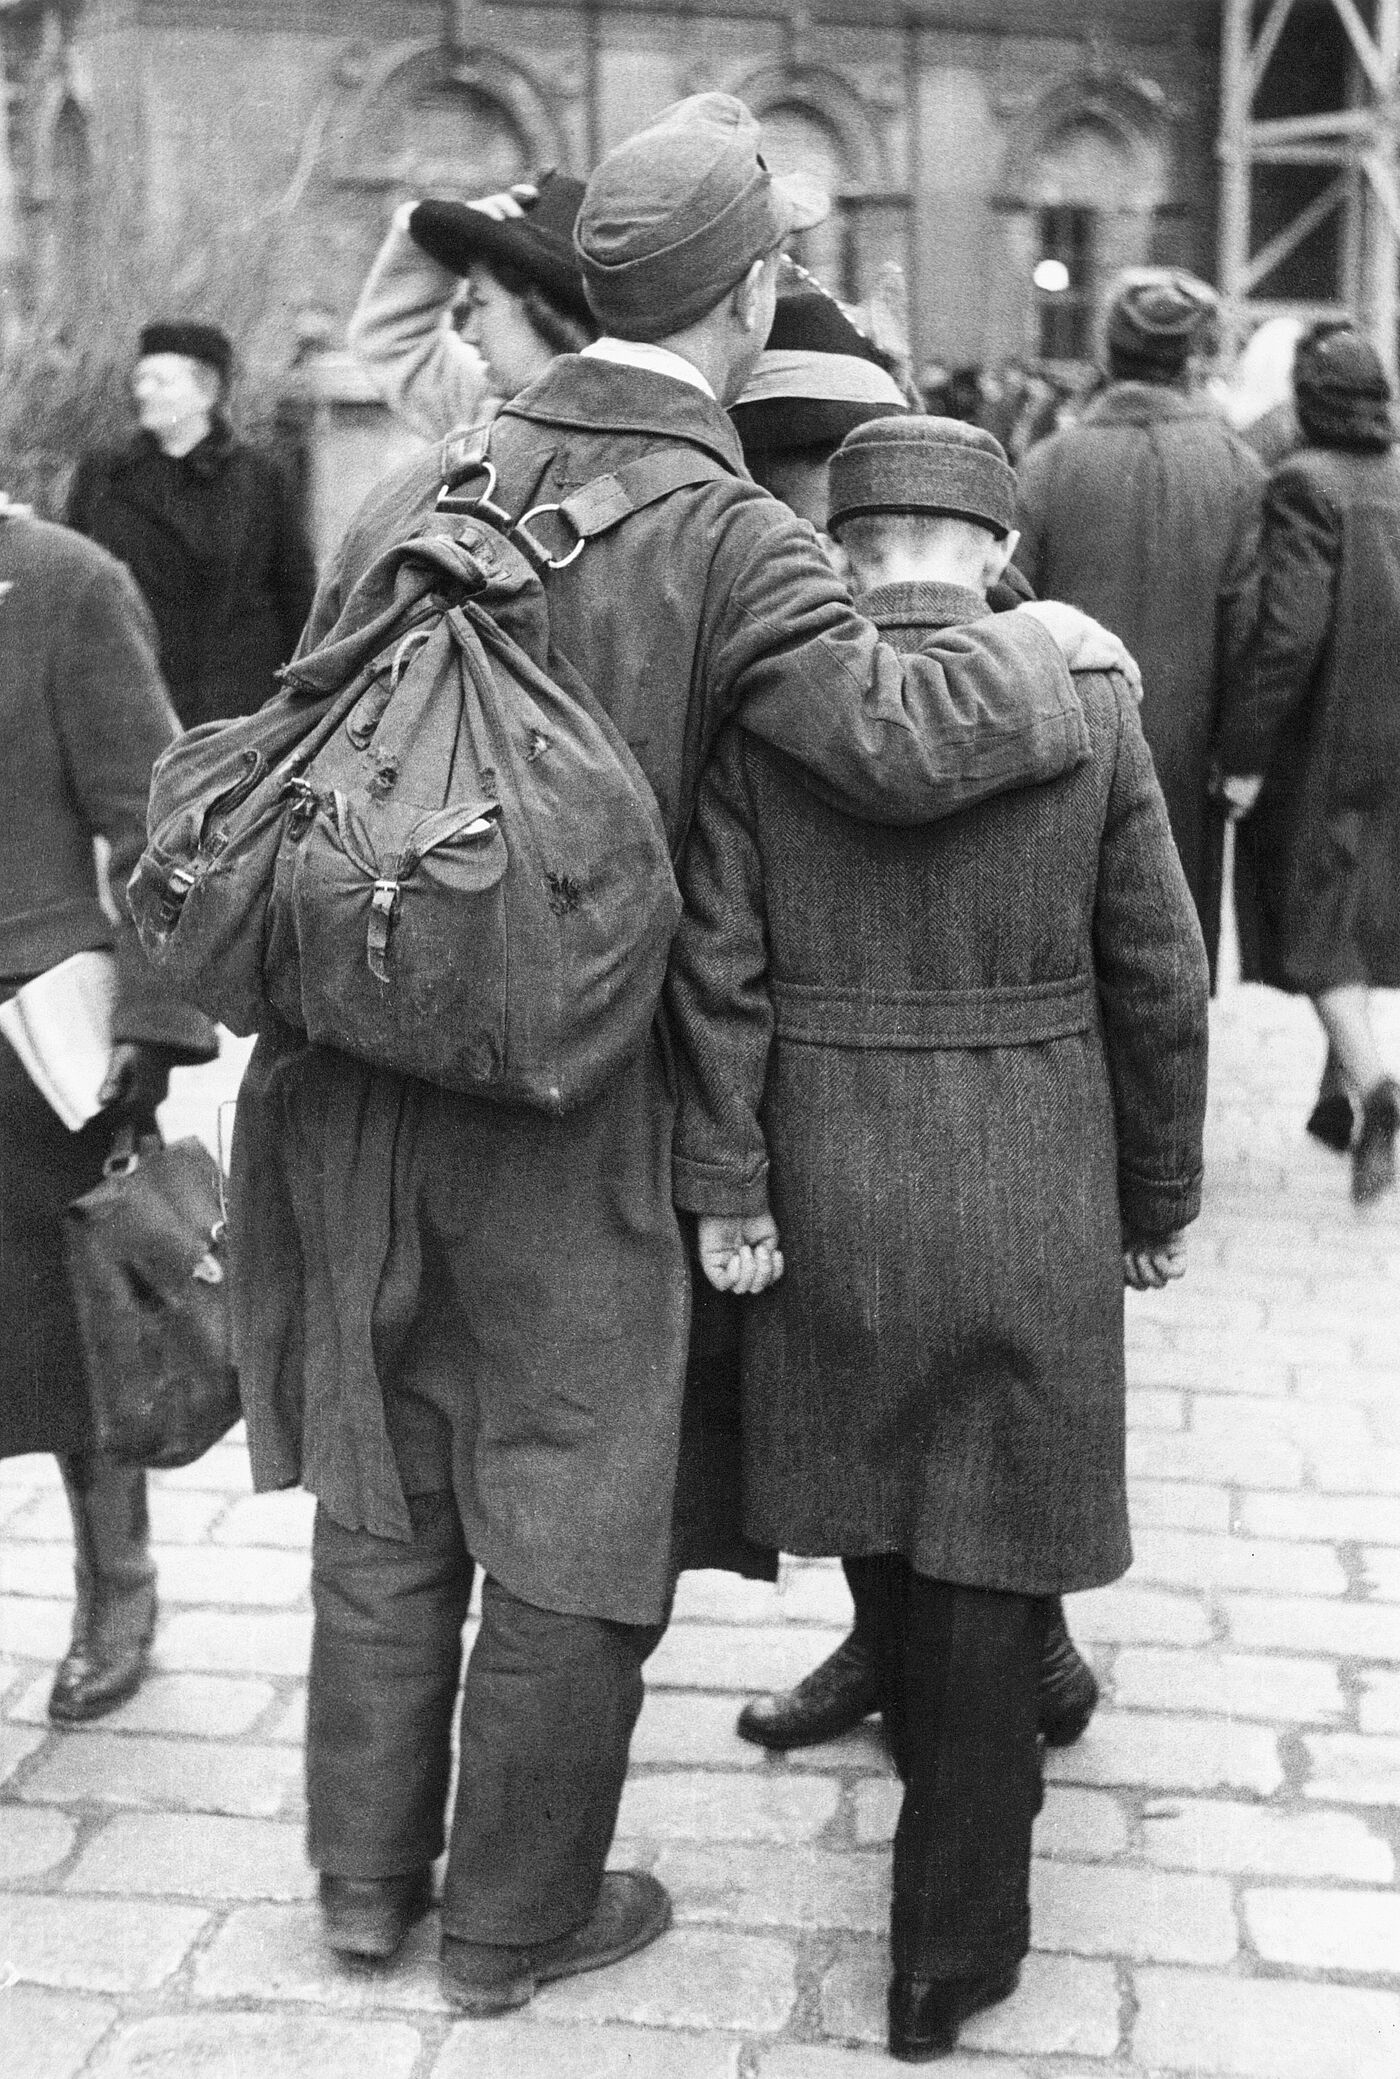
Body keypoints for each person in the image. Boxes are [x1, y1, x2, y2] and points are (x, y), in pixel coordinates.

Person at [229, 90, 1135, 2018]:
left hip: (359, 1063)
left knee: (391, 1480)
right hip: (575, 1091)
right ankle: (512, 1916)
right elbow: (898, 740)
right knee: (569, 1490)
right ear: (751, 292)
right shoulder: (729, 536)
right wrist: (1056, 652)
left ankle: (367, 1880)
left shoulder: (432, 479)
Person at [668, 415, 1210, 2062]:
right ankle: (947, 1955)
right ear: (995, 549)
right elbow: (1158, 974)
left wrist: (732, 1180)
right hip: (1034, 1165)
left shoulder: (766, 709)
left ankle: (966, 1733)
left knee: (882, 1481)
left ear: (846, 551)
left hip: (834, 1166)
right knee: (990, 1519)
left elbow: (716, 972)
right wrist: (1158, 1194)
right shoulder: (1089, 698)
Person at [722, 286, 1101, 1759]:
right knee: (896, 1402)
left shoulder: (902, 608)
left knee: (931, 1404)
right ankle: (919, 1653)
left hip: (914, 1096)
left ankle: (1005, 1652)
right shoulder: (774, 547)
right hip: (894, 1098)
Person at [0, 497, 218, 1722]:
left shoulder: (65, 583)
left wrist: (153, 1016)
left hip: (34, 1040)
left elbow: (159, 822)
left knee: (78, 1335)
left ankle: (116, 1588)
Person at [1015, 270, 1265, 981]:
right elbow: (1250, 626)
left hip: (1070, 744)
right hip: (1187, 747)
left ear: (1107, 354)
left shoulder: (1047, 465)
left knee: (1071, 954)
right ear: (1192, 360)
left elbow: (1012, 604)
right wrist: (1241, 752)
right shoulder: (1239, 469)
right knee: (1172, 957)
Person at [1217, 321, 1400, 1202]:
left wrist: (1245, 753)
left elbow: (1289, 633)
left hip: (1327, 736)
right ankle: (1336, 1099)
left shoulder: (1303, 484)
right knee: (1362, 906)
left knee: (1316, 915)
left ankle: (1375, 1086)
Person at [67, 319, 317, 730]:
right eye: (140, 378)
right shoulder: (105, 474)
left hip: (233, 701)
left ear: (207, 393)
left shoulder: (258, 478)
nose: (143, 390)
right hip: (132, 691)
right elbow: (77, 578)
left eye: (161, 381)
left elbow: (295, 589)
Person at [347, 170, 595, 438]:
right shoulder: (488, 412)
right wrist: (424, 233)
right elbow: (396, 342)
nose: (468, 335)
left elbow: (396, 344)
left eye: (480, 302)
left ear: (549, 312)